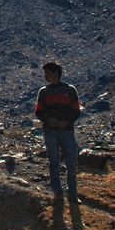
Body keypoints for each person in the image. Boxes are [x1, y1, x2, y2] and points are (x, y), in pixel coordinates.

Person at [34, 61, 81, 205]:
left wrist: (66, 122)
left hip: (66, 131)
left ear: (55, 73)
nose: (45, 77)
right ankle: (58, 193)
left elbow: (76, 110)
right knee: (54, 163)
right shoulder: (43, 92)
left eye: (47, 73)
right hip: (50, 132)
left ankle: (72, 194)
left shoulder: (70, 90)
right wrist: (50, 120)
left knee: (71, 163)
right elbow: (38, 112)